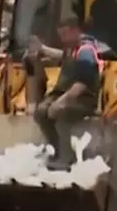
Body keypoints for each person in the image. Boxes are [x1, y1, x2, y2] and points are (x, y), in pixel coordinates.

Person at [27, 17, 103, 168]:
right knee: (41, 112)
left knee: (60, 113)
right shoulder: (70, 48)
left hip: (83, 99)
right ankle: (57, 150)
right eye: (60, 35)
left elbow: (83, 83)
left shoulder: (85, 52)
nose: (62, 39)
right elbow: (62, 56)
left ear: (75, 31)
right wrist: (42, 49)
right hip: (63, 92)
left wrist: (62, 102)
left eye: (65, 34)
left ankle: (67, 158)